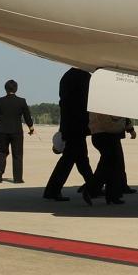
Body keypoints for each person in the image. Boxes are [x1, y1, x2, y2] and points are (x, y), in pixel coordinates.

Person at [43, 67, 94, 201]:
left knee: (80, 158)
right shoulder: (83, 77)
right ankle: (53, 190)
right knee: (70, 159)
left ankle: (93, 185)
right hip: (77, 125)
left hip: (69, 124)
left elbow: (65, 103)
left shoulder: (67, 76)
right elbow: (86, 102)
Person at [0, 79, 33, 183]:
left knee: (2, 152)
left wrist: (2, 119)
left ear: (5, 89)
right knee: (17, 155)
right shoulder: (21, 101)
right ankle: (18, 179)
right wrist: (31, 128)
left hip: (1, 130)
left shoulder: (0, 100)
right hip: (16, 131)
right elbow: (27, 117)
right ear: (16, 89)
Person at [81, 112, 128, 205]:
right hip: (106, 132)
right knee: (109, 165)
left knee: (111, 165)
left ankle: (111, 195)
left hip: (102, 132)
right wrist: (129, 127)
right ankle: (92, 190)